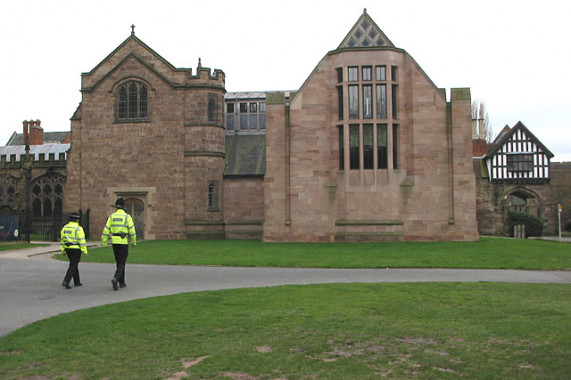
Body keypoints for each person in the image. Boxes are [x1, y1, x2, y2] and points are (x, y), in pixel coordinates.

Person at [101, 197, 136, 290]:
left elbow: (106, 230)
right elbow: (132, 230)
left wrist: (104, 242)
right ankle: (116, 279)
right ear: (124, 207)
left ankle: (122, 282)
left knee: (119, 262)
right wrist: (133, 242)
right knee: (122, 263)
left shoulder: (112, 217)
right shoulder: (127, 217)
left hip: (114, 242)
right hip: (123, 241)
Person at [60, 212, 88, 289]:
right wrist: (85, 251)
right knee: (73, 265)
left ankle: (77, 282)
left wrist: (63, 250)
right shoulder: (78, 228)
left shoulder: (65, 228)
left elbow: (62, 239)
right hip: (76, 249)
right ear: (77, 220)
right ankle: (66, 281)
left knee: (73, 264)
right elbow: (82, 240)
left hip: (67, 248)